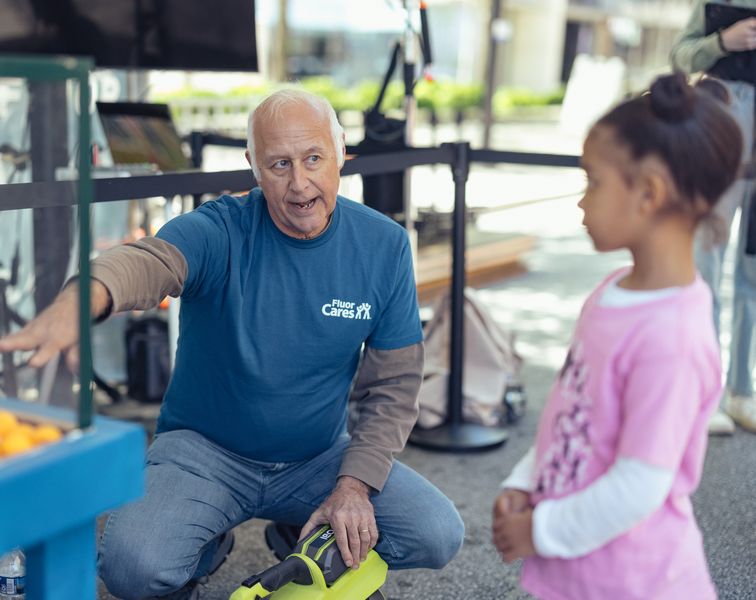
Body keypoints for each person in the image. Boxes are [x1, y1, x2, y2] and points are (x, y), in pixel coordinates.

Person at [0, 89, 464, 600]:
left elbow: (395, 386)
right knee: (133, 567)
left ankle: (303, 536)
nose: (299, 182)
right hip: (204, 453)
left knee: (436, 532)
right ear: (254, 168)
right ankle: (206, 540)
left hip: (317, 457)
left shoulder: (384, 245)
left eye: (313, 158)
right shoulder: (220, 229)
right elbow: (150, 261)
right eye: (279, 164)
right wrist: (81, 299)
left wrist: (352, 487)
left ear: (341, 153)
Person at [491, 73, 742, 599]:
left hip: (638, 582)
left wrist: (540, 530)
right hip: (577, 571)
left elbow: (639, 485)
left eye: (593, 181)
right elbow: (572, 415)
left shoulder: (673, 337)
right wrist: (524, 480)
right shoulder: (609, 293)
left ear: (648, 193)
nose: (582, 201)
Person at [671, 0, 756, 434]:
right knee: (706, 259)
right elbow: (679, 55)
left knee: (753, 273)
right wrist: (723, 41)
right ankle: (705, 393)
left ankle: (743, 390)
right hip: (727, 116)